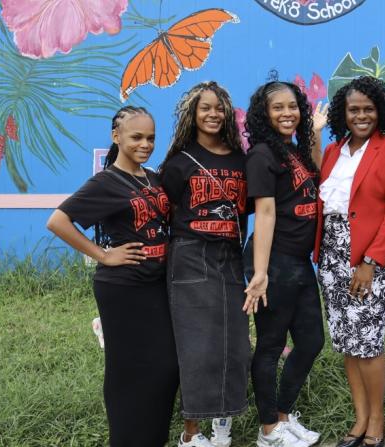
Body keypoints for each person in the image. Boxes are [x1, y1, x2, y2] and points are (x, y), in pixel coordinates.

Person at [46, 106, 178, 446]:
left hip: (156, 284)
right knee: (127, 371)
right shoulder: (106, 182)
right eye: (136, 137)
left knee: (166, 368)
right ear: (116, 137)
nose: (145, 144)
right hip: (124, 289)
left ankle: (153, 438)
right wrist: (103, 254)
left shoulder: (151, 177)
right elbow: (58, 221)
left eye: (150, 138)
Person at [314, 76, 385, 447]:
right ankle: (359, 420)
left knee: (369, 342)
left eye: (368, 109)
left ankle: (377, 422)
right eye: (354, 109)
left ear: (380, 111)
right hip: (332, 256)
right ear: (344, 113)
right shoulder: (332, 153)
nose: (361, 116)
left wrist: (371, 261)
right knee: (346, 341)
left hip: (373, 259)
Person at [159, 81, 250, 447]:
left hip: (230, 257)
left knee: (234, 343)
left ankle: (222, 422)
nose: (213, 114)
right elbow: (165, 214)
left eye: (219, 108)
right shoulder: (180, 163)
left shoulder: (241, 161)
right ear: (192, 115)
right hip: (190, 255)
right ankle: (191, 433)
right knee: (196, 346)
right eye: (205, 108)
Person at [242, 80, 327, 447]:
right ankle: (268, 431)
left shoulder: (293, 150)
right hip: (273, 261)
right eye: (277, 107)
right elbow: (263, 212)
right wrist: (260, 273)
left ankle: (282, 415)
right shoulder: (262, 154)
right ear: (264, 113)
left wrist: (316, 133)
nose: (287, 113)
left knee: (311, 341)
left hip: (298, 261)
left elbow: (318, 177)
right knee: (271, 345)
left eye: (292, 106)